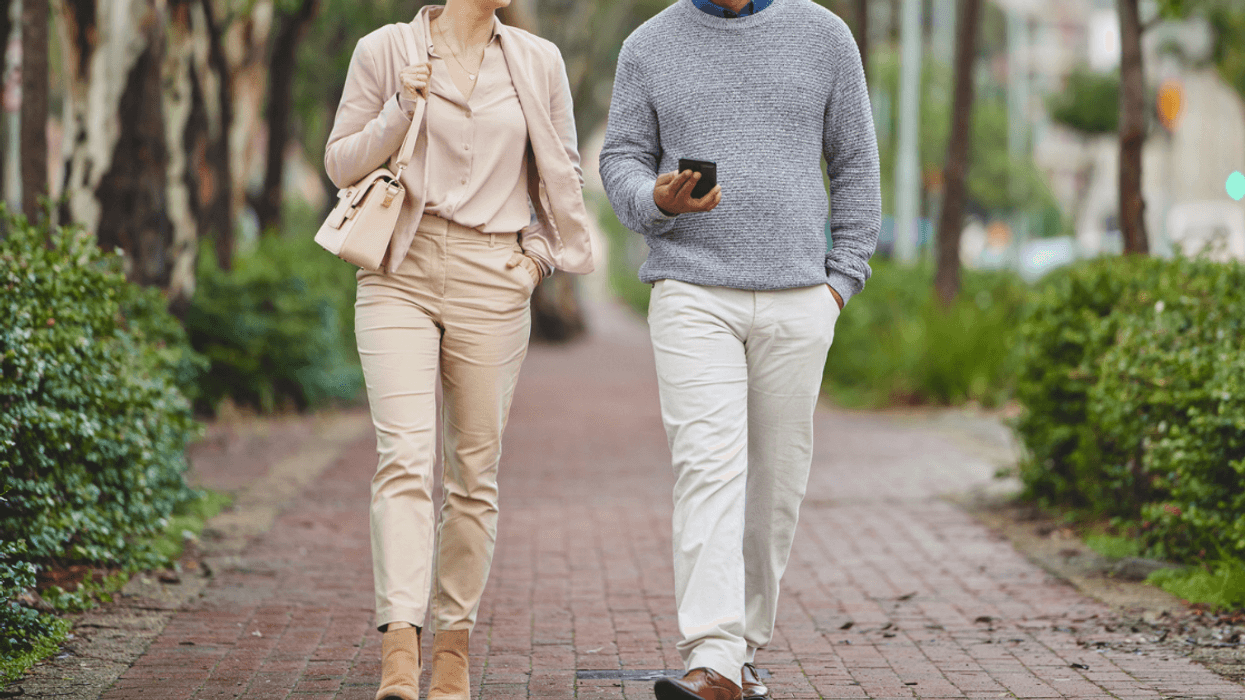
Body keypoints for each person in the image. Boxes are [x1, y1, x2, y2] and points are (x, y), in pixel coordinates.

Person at [598, 0, 881, 698]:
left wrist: (839, 283)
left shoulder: (823, 36)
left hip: (798, 297)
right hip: (692, 292)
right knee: (706, 467)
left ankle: (742, 648)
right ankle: (713, 655)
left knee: (775, 485)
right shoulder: (648, 44)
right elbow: (621, 158)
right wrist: (656, 199)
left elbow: (854, 163)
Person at [324, 1, 593, 698]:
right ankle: (398, 653)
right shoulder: (385, 49)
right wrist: (397, 111)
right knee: (404, 458)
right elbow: (339, 161)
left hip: (493, 275)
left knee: (473, 476)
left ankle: (451, 648)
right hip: (398, 269)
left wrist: (537, 260)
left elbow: (561, 175)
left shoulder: (538, 61)